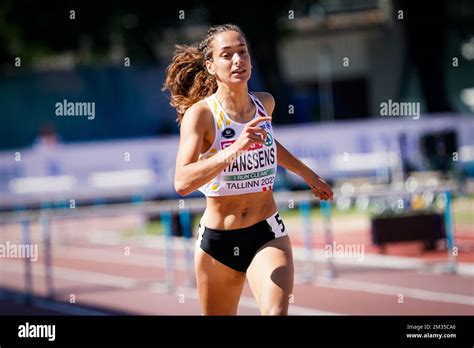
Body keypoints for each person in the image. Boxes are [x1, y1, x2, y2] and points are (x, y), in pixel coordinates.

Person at [162, 24, 333, 315]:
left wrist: (308, 174)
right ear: (211, 65)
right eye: (227, 55)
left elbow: (268, 144)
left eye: (242, 52)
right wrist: (234, 149)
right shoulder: (201, 115)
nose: (238, 60)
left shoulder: (264, 103)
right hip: (218, 241)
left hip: (266, 232)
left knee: (276, 313)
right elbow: (182, 181)